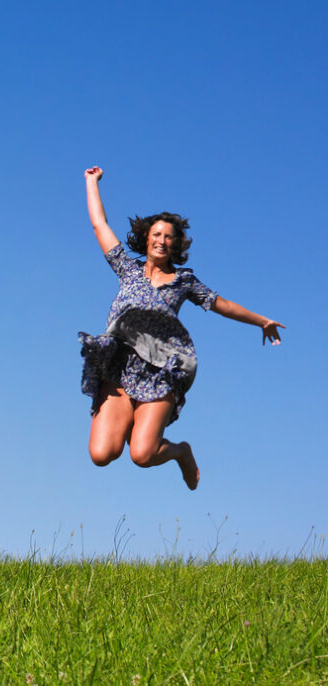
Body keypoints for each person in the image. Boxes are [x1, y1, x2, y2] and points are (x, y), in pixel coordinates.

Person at [77, 166, 284, 490]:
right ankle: (129, 419)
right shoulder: (127, 270)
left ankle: (180, 452)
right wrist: (91, 182)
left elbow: (221, 304)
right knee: (102, 454)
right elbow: (99, 223)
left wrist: (262, 320)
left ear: (175, 245)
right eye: (156, 234)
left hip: (162, 368)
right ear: (146, 238)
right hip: (120, 364)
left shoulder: (183, 280)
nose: (161, 240)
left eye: (168, 237)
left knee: (142, 454)